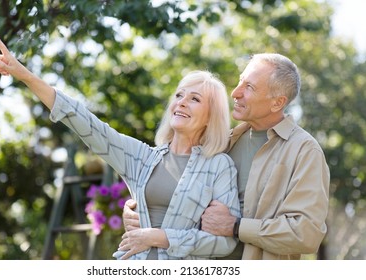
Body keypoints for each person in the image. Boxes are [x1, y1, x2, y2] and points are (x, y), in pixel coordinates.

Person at [0, 34, 241, 260]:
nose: (182, 103)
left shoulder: (219, 166)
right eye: (179, 95)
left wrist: (159, 237)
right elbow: (85, 123)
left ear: (211, 116)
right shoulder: (143, 158)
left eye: (194, 99)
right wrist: (25, 75)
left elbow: (224, 243)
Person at [123, 53, 330, 260]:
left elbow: (306, 234)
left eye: (249, 87)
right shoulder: (221, 142)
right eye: (241, 81)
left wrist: (235, 226)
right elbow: (175, 191)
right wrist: (137, 209)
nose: (235, 93)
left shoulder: (304, 151)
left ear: (277, 103)